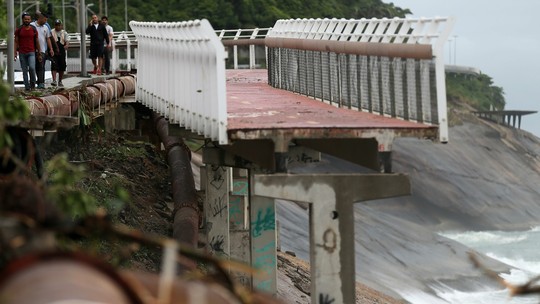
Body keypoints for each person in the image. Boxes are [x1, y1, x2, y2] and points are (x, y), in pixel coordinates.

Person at [14, 12, 40, 91]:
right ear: (22, 20)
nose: (27, 20)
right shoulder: (19, 29)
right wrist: (14, 52)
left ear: (30, 20)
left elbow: (37, 41)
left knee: (32, 68)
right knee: (24, 71)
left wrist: (39, 52)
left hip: (31, 52)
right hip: (22, 53)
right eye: (25, 19)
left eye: (28, 19)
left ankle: (33, 85)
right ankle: (27, 87)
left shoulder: (33, 29)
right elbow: (16, 41)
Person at [30, 12, 54, 89]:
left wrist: (51, 49)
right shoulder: (32, 26)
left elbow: (48, 39)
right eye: (45, 20)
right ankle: (33, 83)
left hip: (42, 50)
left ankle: (41, 83)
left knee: (41, 67)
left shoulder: (46, 27)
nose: (46, 22)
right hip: (32, 50)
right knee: (33, 67)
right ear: (40, 18)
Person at [51, 19, 70, 87]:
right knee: (54, 65)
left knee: (62, 65)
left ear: (61, 25)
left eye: (59, 25)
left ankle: (60, 81)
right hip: (54, 49)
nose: (58, 26)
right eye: (56, 25)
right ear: (54, 25)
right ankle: (54, 80)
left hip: (61, 50)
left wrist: (66, 45)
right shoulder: (52, 32)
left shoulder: (64, 32)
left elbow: (67, 40)